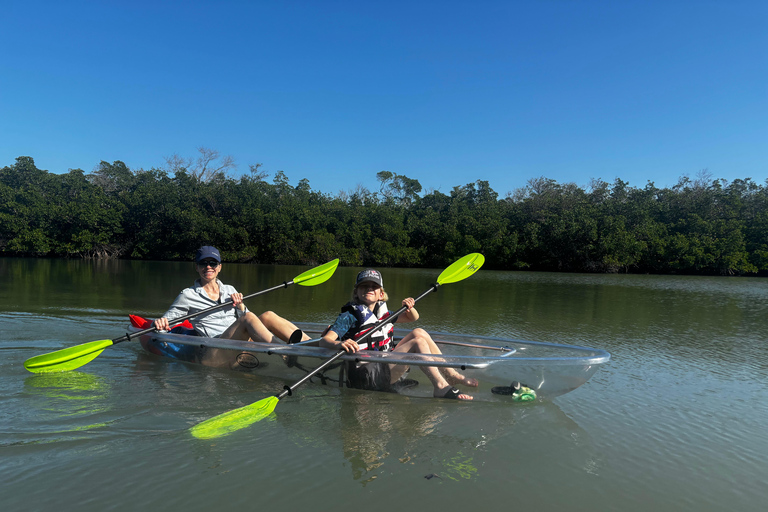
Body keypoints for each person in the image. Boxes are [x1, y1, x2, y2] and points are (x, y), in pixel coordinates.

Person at [320, 269, 478, 400]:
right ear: (356, 293)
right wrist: (339, 344)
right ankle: (441, 387)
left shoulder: (384, 313)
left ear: (381, 294)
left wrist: (409, 307)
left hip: (383, 368)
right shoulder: (349, 316)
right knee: (417, 342)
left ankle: (451, 375)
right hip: (365, 376)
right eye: (364, 286)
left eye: (373, 286)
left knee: (420, 332)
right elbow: (325, 341)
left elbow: (412, 318)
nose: (369, 289)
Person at [153, 246, 310, 343]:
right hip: (217, 348)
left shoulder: (230, 289)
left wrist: (241, 306)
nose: (208, 267)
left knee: (267, 315)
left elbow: (251, 320)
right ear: (197, 267)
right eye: (203, 263)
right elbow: (167, 323)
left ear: (219, 267)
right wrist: (159, 325)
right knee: (247, 319)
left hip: (240, 341)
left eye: (213, 263)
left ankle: (314, 345)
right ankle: (283, 354)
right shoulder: (187, 295)